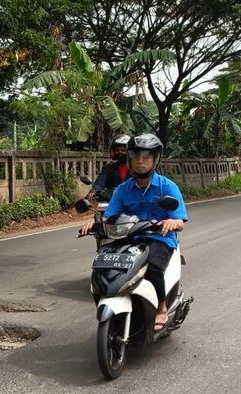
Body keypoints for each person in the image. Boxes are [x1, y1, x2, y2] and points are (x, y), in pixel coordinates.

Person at [80, 133, 188, 331]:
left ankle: (161, 308)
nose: (140, 161)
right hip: (128, 237)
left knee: (154, 267)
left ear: (155, 159)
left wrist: (172, 222)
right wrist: (93, 225)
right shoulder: (123, 189)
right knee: (103, 263)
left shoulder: (167, 186)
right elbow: (109, 217)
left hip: (159, 238)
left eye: (145, 157)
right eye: (136, 156)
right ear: (129, 158)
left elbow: (180, 221)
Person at [87, 134, 131, 201]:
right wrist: (94, 190)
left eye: (123, 150)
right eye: (117, 150)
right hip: (112, 204)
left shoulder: (136, 170)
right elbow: (100, 181)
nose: (120, 152)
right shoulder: (108, 168)